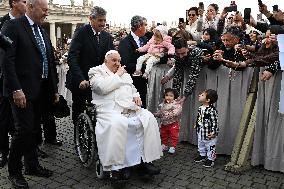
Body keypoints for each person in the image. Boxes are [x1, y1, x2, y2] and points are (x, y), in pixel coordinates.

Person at [1, 0, 58, 188]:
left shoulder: (42, 31)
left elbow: (49, 61)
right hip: (21, 91)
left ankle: (32, 166)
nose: (46, 13)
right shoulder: (13, 26)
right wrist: (15, 89)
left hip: (41, 90)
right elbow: (6, 61)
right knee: (23, 130)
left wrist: (54, 89)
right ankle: (14, 171)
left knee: (34, 130)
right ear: (31, 7)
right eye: (44, 9)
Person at [88, 50, 162, 180]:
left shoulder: (124, 74)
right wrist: (118, 75)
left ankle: (144, 161)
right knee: (118, 124)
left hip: (128, 107)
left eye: (119, 61)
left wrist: (136, 95)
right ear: (106, 61)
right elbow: (101, 88)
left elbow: (132, 87)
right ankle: (118, 166)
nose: (117, 63)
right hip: (108, 110)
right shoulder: (96, 71)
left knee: (148, 118)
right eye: (114, 60)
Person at [66, 6, 114, 125]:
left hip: (97, 81)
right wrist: (81, 79)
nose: (103, 24)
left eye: (104, 20)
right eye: (100, 20)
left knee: (97, 111)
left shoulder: (106, 36)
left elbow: (109, 58)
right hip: (80, 80)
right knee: (79, 109)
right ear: (91, 19)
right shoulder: (81, 33)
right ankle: (78, 136)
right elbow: (72, 57)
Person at [0, 0, 27, 168]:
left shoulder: (27, 23)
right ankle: (4, 152)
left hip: (22, 77)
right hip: (2, 78)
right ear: (14, 3)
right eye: (24, 1)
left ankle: (30, 149)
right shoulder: (3, 22)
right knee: (3, 118)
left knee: (25, 119)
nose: (27, 4)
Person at [118, 15, 148, 107]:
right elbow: (125, 64)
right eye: (145, 25)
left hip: (144, 82)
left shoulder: (145, 39)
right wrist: (144, 66)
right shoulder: (125, 43)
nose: (146, 28)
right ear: (139, 27)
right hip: (133, 84)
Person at [194, 89, 218, 168]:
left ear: (207, 100)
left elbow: (215, 122)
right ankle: (202, 155)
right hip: (201, 131)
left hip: (209, 132)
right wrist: (196, 124)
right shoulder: (200, 108)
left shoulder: (212, 110)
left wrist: (214, 132)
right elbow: (199, 118)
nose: (199, 95)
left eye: (202, 95)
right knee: (201, 143)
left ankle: (211, 159)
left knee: (210, 146)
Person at [154, 88, 182, 154]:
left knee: (173, 135)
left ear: (174, 97)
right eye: (167, 95)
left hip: (173, 123)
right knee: (164, 134)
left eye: (171, 96)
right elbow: (160, 112)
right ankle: (164, 145)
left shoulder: (176, 104)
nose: (168, 97)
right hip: (164, 123)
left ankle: (173, 146)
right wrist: (156, 114)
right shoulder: (162, 104)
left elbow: (176, 112)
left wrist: (167, 114)